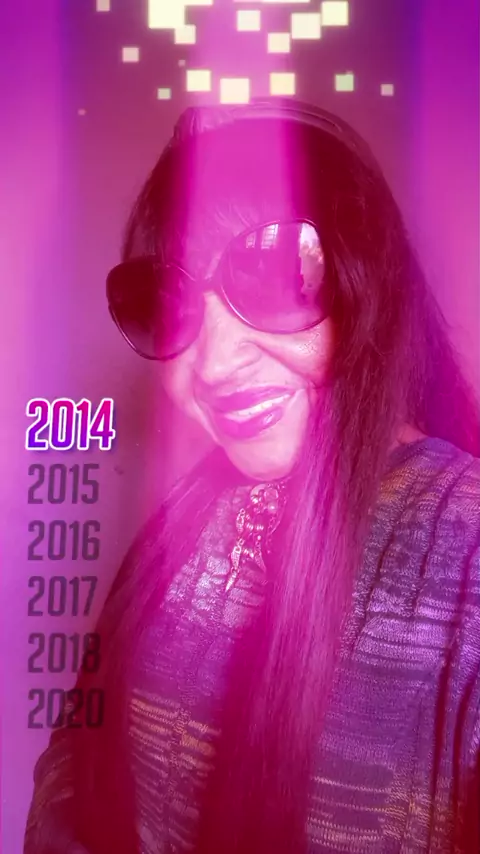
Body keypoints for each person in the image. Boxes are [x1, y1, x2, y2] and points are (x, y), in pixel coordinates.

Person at [24, 99, 480, 854]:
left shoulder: (466, 549)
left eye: (271, 275)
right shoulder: (182, 517)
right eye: (165, 304)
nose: (212, 364)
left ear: (366, 284)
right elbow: (79, 740)